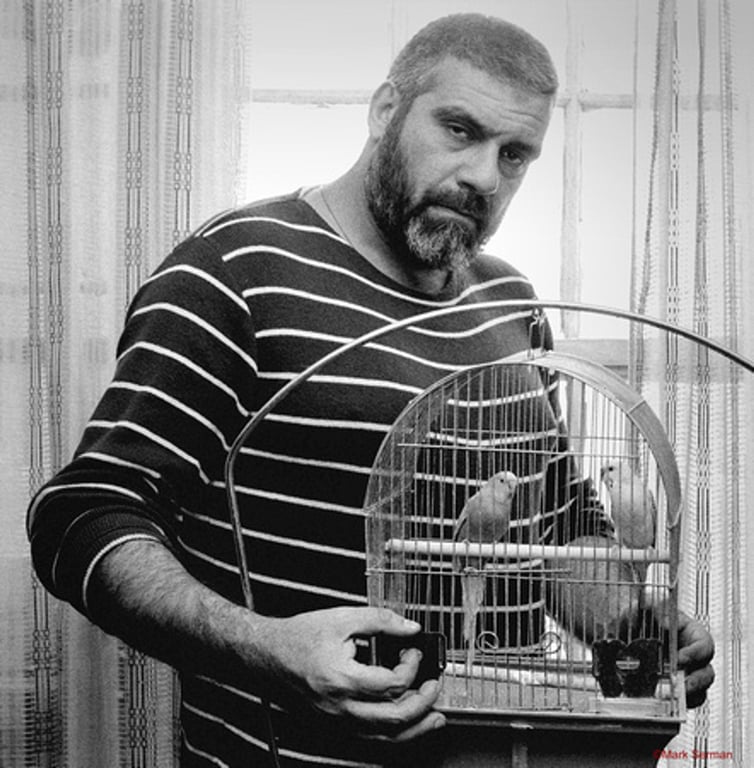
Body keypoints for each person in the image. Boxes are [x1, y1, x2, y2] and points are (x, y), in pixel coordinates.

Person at [27, 13, 714, 768]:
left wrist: (636, 628)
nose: (485, 177)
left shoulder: (511, 301)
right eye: (459, 130)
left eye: (514, 154)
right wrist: (267, 649)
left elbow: (556, 527)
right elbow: (83, 514)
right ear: (387, 109)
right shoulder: (233, 271)